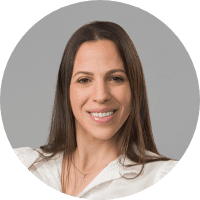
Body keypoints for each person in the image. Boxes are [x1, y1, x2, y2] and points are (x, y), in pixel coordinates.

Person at [13, 21, 178, 199]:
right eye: (84, 80)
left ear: (134, 89)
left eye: (115, 78)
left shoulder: (163, 177)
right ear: (65, 91)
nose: (101, 96)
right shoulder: (23, 164)